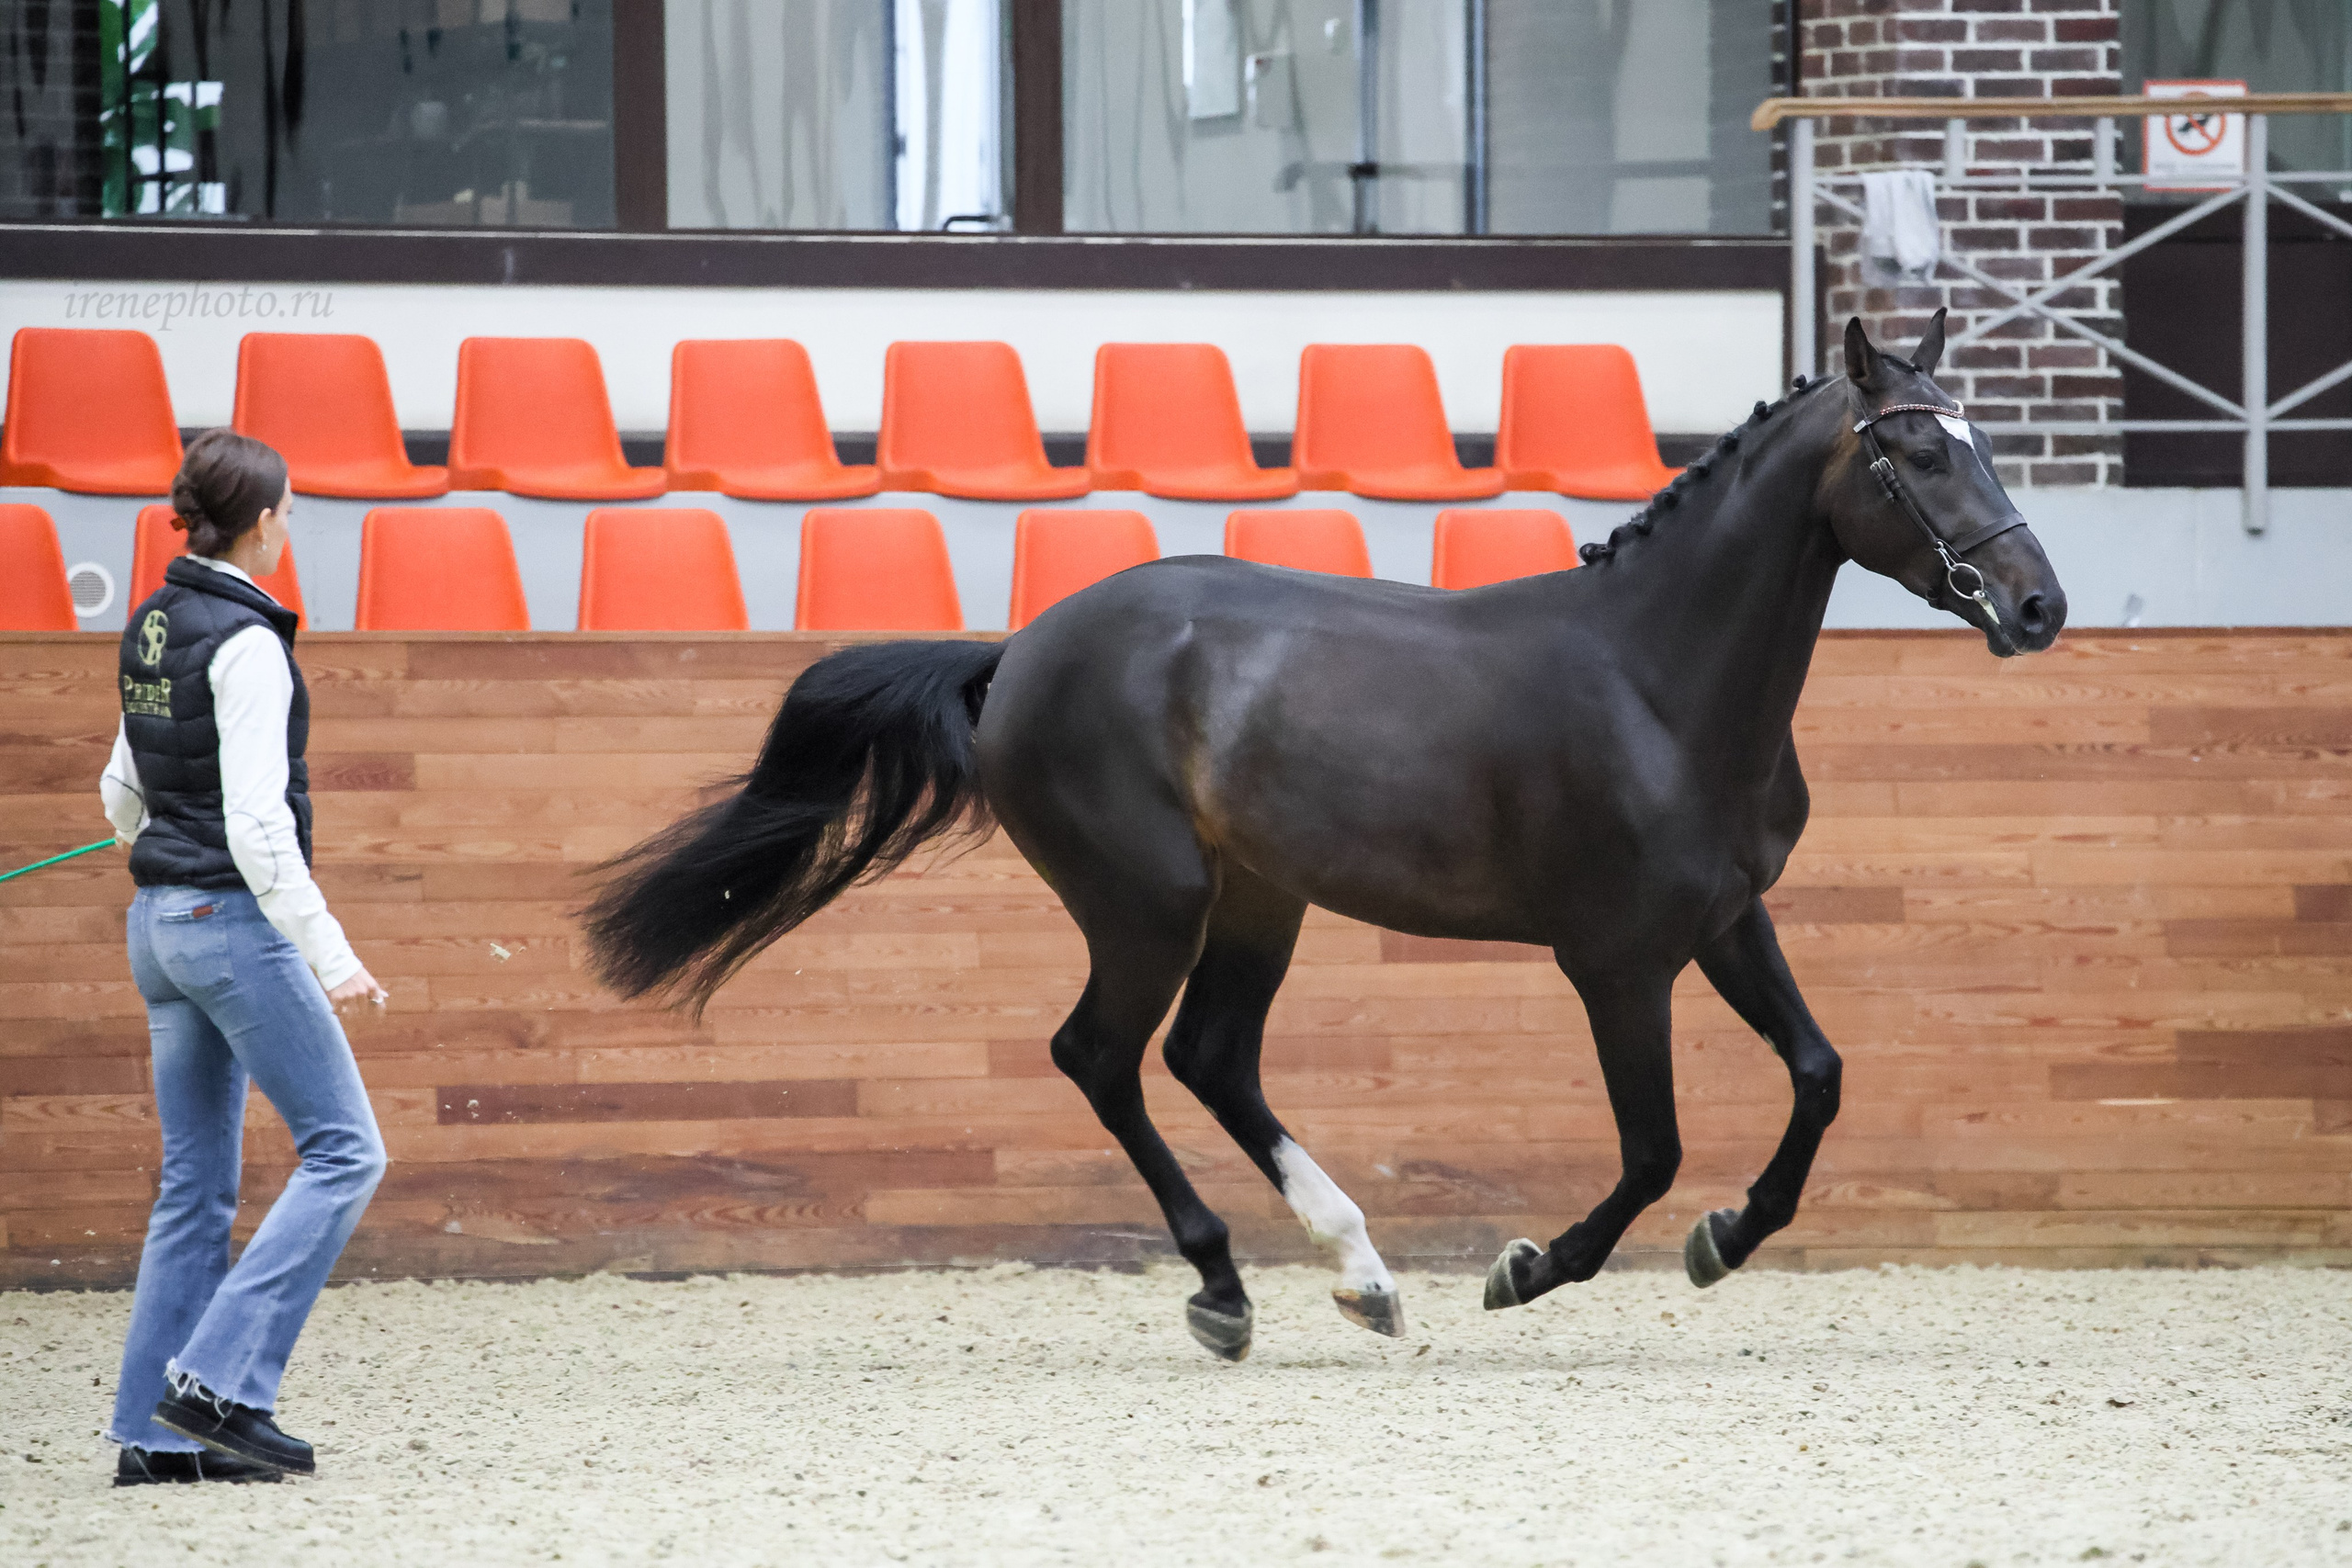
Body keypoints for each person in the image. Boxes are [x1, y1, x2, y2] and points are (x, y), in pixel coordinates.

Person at [100, 429, 390, 1486]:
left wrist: (166, 826)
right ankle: (218, 1387)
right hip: (229, 927)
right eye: (290, 511)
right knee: (347, 1153)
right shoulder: (252, 642)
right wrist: (333, 954)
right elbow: (262, 829)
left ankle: (154, 1437)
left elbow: (119, 797)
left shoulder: (153, 622)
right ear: (263, 521)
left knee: (194, 1189)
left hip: (156, 932)